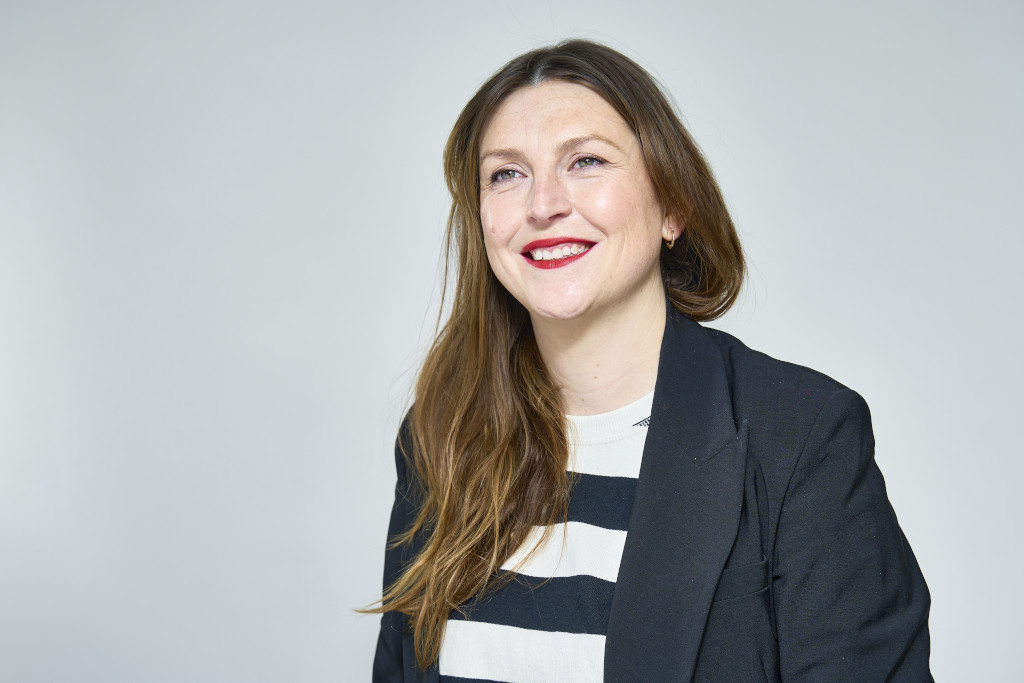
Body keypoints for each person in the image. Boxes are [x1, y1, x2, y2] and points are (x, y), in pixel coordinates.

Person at [369, 39, 931, 682]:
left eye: (585, 161)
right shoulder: (439, 433)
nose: (543, 204)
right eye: (506, 173)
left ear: (672, 207)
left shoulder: (800, 439)